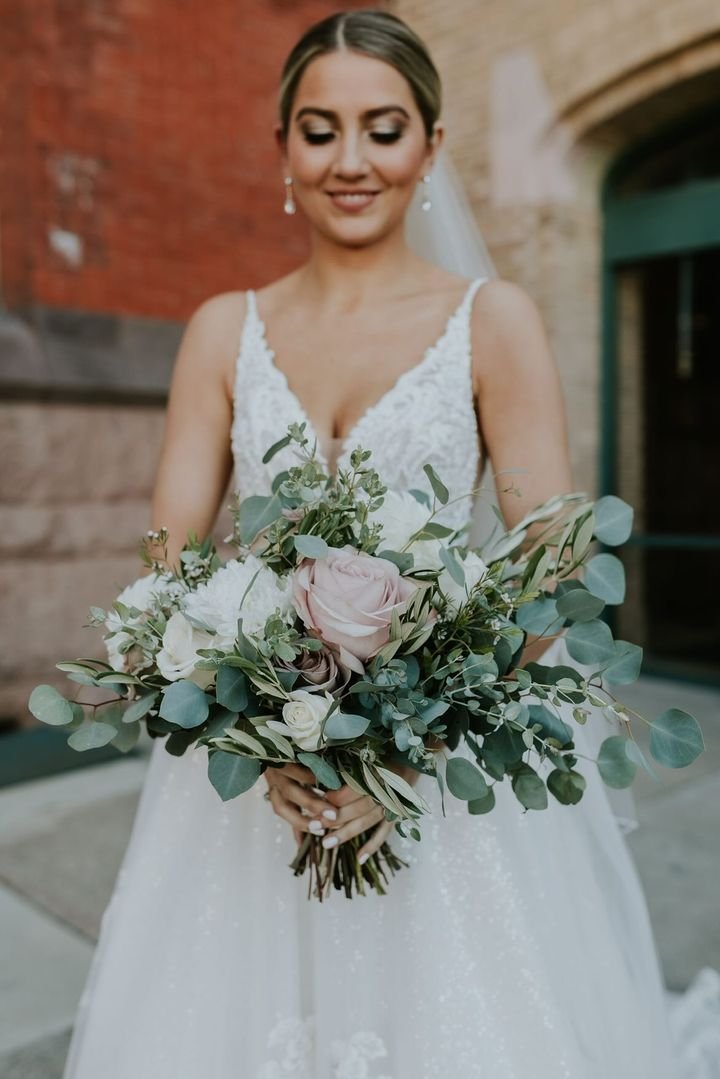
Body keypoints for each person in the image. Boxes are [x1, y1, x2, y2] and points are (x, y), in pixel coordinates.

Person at [62, 10, 719, 1078]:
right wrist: (255, 739)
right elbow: (168, 565)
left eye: (383, 127)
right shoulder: (222, 330)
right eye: (320, 130)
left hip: (444, 771)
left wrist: (409, 755)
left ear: (430, 146)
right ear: (283, 148)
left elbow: (549, 565)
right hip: (256, 786)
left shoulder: (494, 320)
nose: (351, 160)